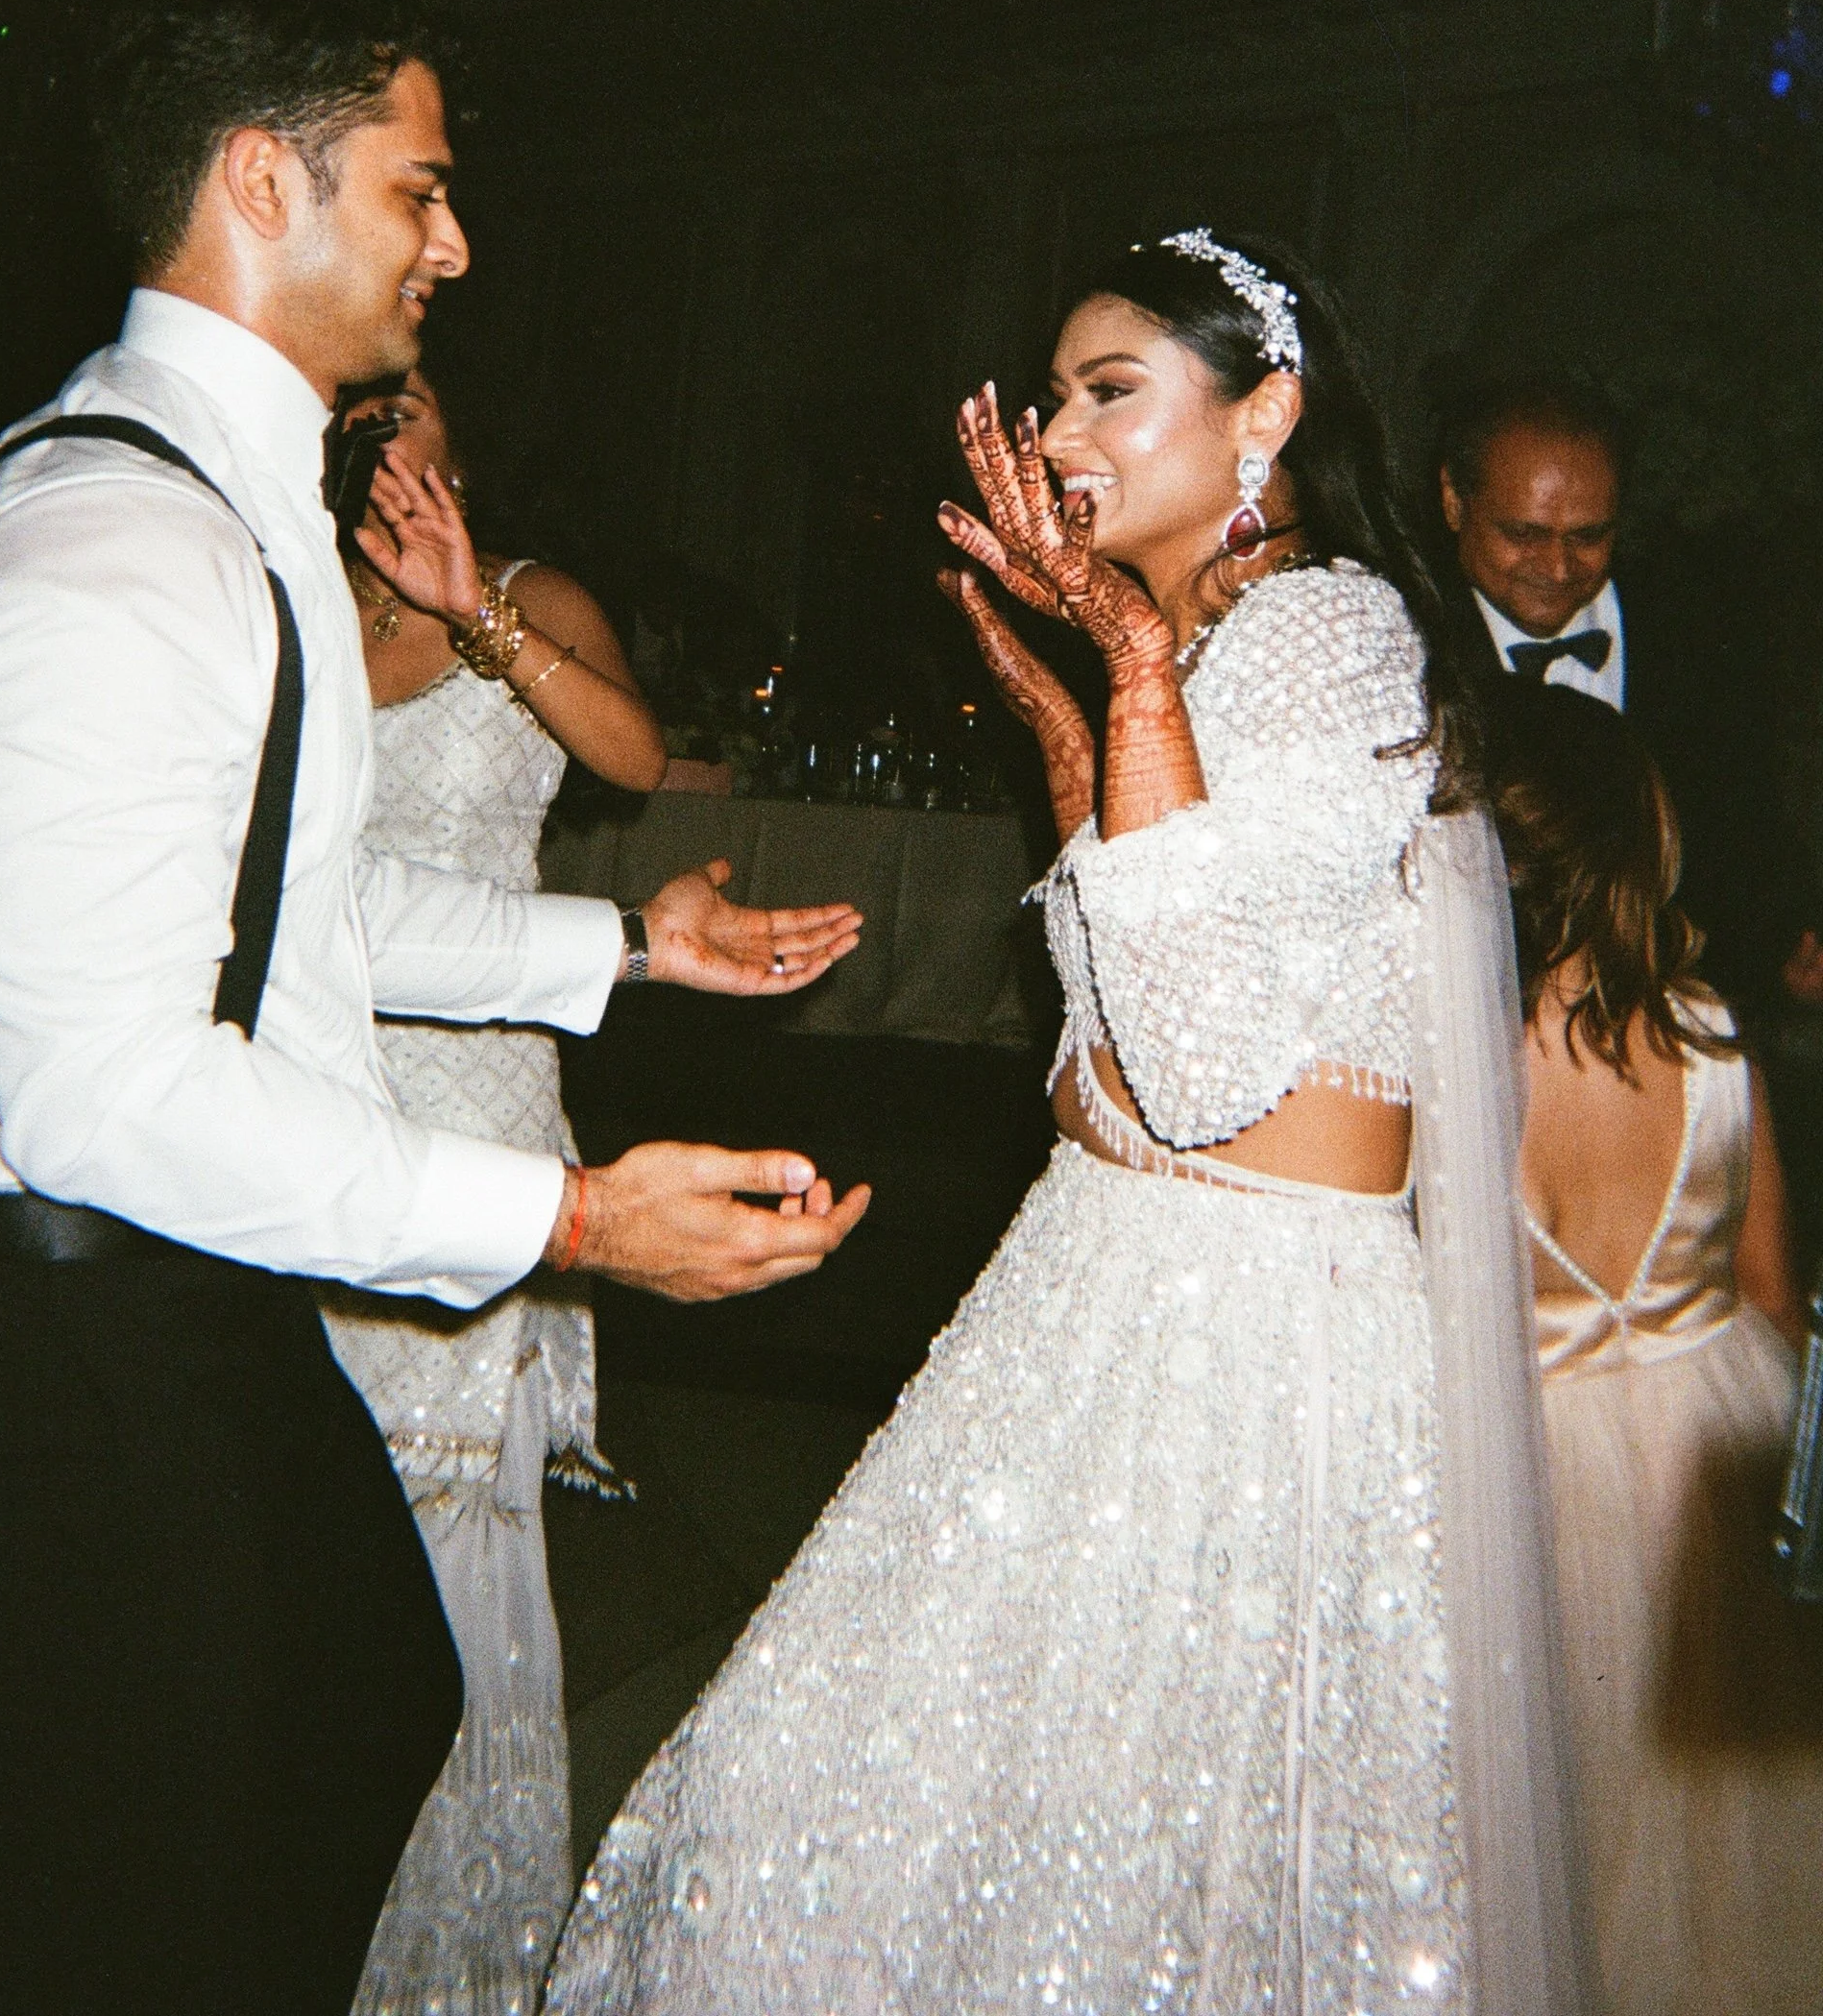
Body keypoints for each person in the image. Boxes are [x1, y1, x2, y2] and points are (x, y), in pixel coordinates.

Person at [0, 0, 868, 2016]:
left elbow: (285, 910)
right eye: (417, 183)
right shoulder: (103, 553)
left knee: (343, 1715)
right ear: (260, 177)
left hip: (152, 1283)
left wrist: (621, 941)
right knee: (129, 1882)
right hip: (59, 1316)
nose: (459, 243)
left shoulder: (220, 510)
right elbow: (108, 1083)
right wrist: (574, 1215)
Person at [545, 231, 1592, 2016]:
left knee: (1126, 1856)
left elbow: (1196, 1067)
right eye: (1048, 393)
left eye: (1110, 388)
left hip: (1238, 1335)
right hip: (1105, 1268)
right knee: (884, 1801)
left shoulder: (1319, 631)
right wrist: (1077, 704)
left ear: (1264, 412)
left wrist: (1119, 663)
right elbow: (1098, 1052)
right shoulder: (1211, 639)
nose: (1056, 430)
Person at [323, 366, 666, 2011]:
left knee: (459, 1536)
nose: (395, 459)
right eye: (362, 435)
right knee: (320, 1526)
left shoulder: (529, 591)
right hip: (317, 1102)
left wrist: (476, 618)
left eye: (421, 431)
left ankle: (454, 1957)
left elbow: (633, 749)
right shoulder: (293, 601)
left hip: (485, 1088)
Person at [1493, 683, 1823, 2016]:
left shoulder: (1456, 1063)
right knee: (1709, 1834)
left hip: (1534, 1457)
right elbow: (1775, 1294)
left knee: (1547, 1811)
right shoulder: (1710, 1032)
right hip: (1707, 1448)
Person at [1436, 370, 1787, 1008]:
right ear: (1454, 501)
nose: (1557, 568)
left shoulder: (1704, 639)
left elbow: (1751, 841)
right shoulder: (1404, 645)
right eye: (1522, 533)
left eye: (1589, 536)